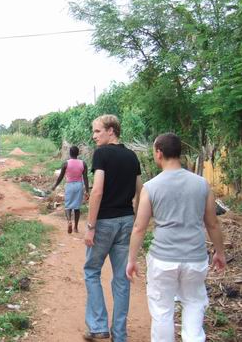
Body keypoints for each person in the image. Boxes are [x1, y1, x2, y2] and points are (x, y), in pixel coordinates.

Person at [126, 133, 226, 342]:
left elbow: (139, 227)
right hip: (195, 257)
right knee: (194, 304)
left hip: (163, 258)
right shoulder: (201, 184)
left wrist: (131, 260)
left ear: (159, 153)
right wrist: (220, 252)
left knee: (162, 310)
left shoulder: (151, 187)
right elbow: (212, 223)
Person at [83, 114, 143, 342]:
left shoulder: (102, 154)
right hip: (127, 220)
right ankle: (120, 335)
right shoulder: (132, 156)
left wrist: (90, 226)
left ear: (111, 130)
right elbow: (140, 192)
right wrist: (136, 221)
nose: (94, 136)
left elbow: (97, 191)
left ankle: (98, 326)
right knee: (121, 278)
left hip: (105, 223)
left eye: (97, 131)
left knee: (91, 271)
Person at [51, 145, 90, 233]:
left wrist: (55, 186)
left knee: (68, 206)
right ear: (78, 153)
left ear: (70, 153)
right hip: (79, 186)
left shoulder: (66, 163)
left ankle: (69, 221)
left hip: (69, 186)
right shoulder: (83, 163)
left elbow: (60, 177)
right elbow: (86, 178)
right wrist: (87, 191)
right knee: (77, 207)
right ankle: (76, 227)